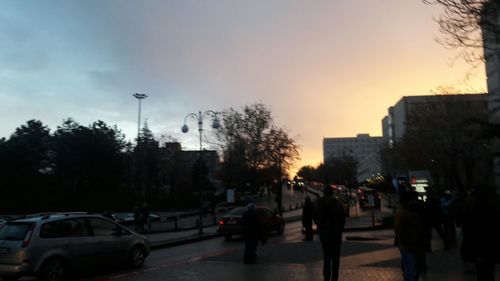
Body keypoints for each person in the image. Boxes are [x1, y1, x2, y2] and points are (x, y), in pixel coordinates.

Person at [460, 187, 500, 281]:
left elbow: (477, 234)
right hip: (487, 251)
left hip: (482, 250)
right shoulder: (492, 209)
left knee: (484, 274)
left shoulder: (477, 211)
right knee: (488, 273)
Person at [313, 185, 346, 281]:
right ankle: (335, 277)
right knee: (336, 257)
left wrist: (321, 226)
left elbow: (315, 217)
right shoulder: (338, 204)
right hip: (336, 234)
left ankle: (326, 275)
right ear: (332, 192)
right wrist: (339, 228)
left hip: (324, 234)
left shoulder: (319, 203)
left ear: (324, 193)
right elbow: (342, 218)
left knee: (326, 255)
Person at [394, 190, 423, 281]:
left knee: (411, 269)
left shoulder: (410, 211)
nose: (416, 201)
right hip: (409, 245)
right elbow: (399, 230)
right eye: (415, 199)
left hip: (412, 245)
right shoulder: (403, 213)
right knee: (412, 270)